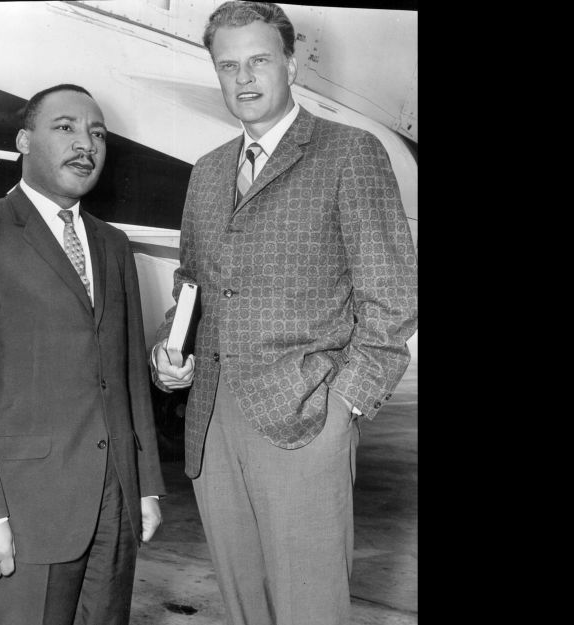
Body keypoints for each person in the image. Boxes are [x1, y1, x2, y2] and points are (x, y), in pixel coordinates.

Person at [150, 3, 418, 624]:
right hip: (212, 421)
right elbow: (192, 283)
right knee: (246, 606)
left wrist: (344, 408)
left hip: (305, 418)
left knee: (308, 610)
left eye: (259, 60)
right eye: (228, 65)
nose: (243, 78)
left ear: (290, 64)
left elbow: (393, 295)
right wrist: (173, 352)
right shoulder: (209, 170)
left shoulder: (349, 152)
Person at [0, 83, 165, 625]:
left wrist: (146, 484)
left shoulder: (113, 245)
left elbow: (126, 377)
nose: (86, 144)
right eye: (65, 128)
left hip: (114, 508)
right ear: (24, 141)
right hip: (22, 513)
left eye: (97, 134)